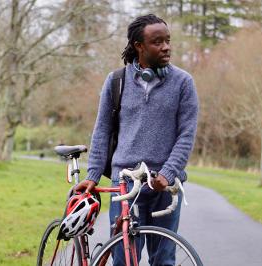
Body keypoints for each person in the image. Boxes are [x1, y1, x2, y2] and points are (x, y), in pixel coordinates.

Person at [75, 14, 198, 265]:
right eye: (157, 42)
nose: (166, 47)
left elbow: (186, 134)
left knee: (163, 260)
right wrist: (92, 175)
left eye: (168, 40)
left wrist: (168, 172)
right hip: (125, 186)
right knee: (123, 260)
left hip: (164, 186)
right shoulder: (116, 82)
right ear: (138, 46)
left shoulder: (183, 83)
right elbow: (102, 131)